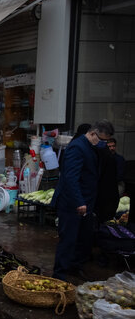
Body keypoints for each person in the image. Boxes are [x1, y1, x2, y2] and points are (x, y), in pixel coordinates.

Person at [50, 120, 115, 280]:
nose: (104, 144)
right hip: (72, 204)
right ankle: (59, 275)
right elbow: (71, 178)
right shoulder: (77, 147)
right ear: (93, 134)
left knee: (84, 240)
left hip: (87, 203)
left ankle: (74, 267)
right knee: (68, 240)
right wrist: (79, 201)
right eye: (102, 140)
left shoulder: (92, 147)